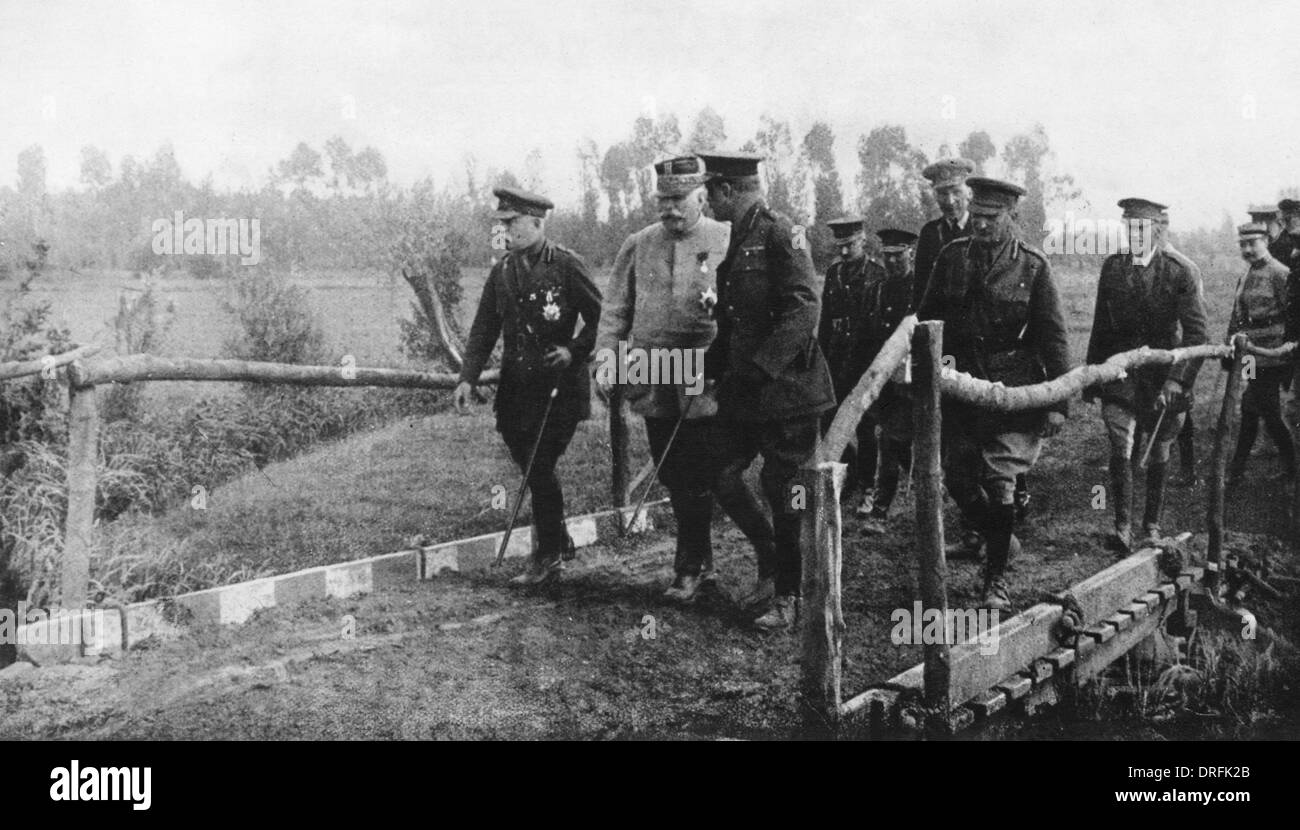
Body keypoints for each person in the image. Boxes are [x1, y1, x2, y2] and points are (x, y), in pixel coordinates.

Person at [697, 149, 836, 632]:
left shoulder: (782, 233)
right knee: (722, 475)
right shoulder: (735, 239)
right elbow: (732, 319)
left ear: (727, 190)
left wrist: (761, 366)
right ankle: (772, 561)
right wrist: (712, 370)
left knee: (785, 493)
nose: (707, 202)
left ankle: (792, 596)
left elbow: (805, 309)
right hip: (746, 392)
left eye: (710, 192)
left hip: (789, 392)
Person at [917, 177, 1071, 610]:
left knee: (1000, 482)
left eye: (992, 218)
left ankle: (995, 580)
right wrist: (922, 375)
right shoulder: (950, 258)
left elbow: (1053, 336)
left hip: (1014, 390)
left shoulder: (1034, 267)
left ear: (1012, 217)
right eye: (978, 216)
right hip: (962, 388)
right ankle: (1000, 537)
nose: (981, 226)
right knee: (959, 479)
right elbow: (926, 319)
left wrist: (1058, 402)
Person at [595, 155, 732, 603]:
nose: (669, 209)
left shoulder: (725, 238)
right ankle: (701, 561)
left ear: (702, 197)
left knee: (699, 468)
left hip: (703, 371)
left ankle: (689, 567)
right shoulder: (638, 244)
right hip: (652, 372)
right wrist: (607, 359)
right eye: (662, 200)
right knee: (672, 469)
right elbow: (616, 309)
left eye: (679, 200)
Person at [454, 187, 602, 587]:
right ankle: (559, 539)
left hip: (559, 390)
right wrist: (468, 377)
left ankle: (548, 556)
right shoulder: (502, 271)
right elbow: (484, 327)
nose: (504, 230)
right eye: (501, 224)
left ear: (537, 224)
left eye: (511, 223)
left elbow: (601, 317)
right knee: (532, 462)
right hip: (517, 391)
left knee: (539, 465)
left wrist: (574, 351)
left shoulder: (567, 266)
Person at [1083, 198, 1208, 554]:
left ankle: (1150, 525)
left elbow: (1197, 335)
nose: (1136, 235)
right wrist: (1095, 376)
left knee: (1159, 449)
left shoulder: (1179, 271)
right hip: (1121, 376)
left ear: (1157, 230)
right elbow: (1100, 326)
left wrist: (1176, 380)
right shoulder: (1112, 267)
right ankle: (1121, 525)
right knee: (1120, 442)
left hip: (1163, 378)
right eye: (1130, 227)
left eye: (1143, 228)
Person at [817, 216, 885, 515]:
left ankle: (869, 487)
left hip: (864, 360)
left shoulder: (877, 274)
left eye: (851, 245)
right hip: (836, 360)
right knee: (828, 420)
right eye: (840, 246)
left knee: (866, 426)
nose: (845, 252)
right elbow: (826, 321)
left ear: (864, 240)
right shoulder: (834, 273)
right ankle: (847, 476)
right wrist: (821, 357)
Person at [855, 228, 917, 534]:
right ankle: (882, 509)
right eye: (887, 255)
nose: (892, 261)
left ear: (911, 254)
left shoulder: (922, 290)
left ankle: (916, 491)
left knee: (899, 442)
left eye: (899, 254)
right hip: (886, 382)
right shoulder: (876, 291)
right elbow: (866, 337)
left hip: (916, 380)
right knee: (890, 441)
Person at [1226, 222, 1296, 483]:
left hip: (1272, 353)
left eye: (1252, 243)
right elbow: (1238, 314)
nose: (1247, 249)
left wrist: (1286, 348)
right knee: (1250, 407)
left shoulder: (1280, 273)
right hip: (1250, 354)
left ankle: (1290, 468)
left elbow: (1293, 315)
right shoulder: (1245, 274)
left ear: (1266, 241)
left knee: (1265, 409)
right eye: (1243, 244)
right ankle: (1238, 469)